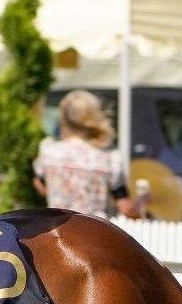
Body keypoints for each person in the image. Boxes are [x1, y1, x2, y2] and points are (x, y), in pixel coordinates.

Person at [32, 90, 138, 218]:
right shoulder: (109, 158)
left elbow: (41, 185)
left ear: (63, 117)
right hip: (95, 231)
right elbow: (125, 207)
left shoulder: (49, 151)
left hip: (57, 230)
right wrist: (142, 203)